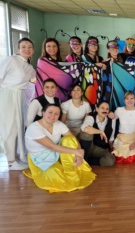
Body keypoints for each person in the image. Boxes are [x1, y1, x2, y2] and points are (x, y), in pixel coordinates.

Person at [23, 103, 96, 193]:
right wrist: (77, 152)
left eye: (56, 114)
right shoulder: (34, 128)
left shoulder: (59, 124)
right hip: (40, 157)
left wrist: (79, 155)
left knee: (68, 139)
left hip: (56, 152)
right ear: (43, 113)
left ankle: (70, 168)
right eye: (50, 112)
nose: (53, 116)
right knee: (55, 174)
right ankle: (59, 167)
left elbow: (72, 138)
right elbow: (51, 146)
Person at [0, 37, 36, 170]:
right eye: (23, 47)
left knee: (17, 127)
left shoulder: (30, 67)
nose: (27, 49)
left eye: (29, 47)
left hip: (19, 97)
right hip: (7, 95)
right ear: (18, 49)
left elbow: (33, 83)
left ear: (33, 50)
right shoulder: (11, 60)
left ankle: (15, 157)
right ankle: (10, 161)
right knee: (9, 127)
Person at [34, 37, 80, 102]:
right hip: (47, 94)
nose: (52, 48)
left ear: (57, 48)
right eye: (48, 46)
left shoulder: (61, 62)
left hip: (61, 95)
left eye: (54, 46)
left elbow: (67, 73)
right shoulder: (42, 61)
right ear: (45, 48)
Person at [79, 101, 116, 167]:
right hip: (90, 146)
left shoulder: (112, 120)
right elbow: (85, 128)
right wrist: (100, 131)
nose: (105, 110)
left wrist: (112, 149)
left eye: (107, 109)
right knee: (85, 134)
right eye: (102, 108)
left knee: (110, 161)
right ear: (97, 109)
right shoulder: (91, 118)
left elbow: (111, 138)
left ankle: (87, 160)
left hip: (101, 149)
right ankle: (83, 159)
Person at [112, 91, 135, 163]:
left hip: (134, 137)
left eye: (132, 98)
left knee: (132, 154)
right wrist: (110, 114)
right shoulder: (119, 110)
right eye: (127, 98)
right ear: (124, 100)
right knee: (118, 155)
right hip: (122, 137)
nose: (129, 101)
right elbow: (112, 120)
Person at [81, 36, 107, 109]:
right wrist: (95, 65)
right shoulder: (83, 57)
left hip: (98, 83)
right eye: (91, 44)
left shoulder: (100, 58)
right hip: (88, 84)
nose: (94, 46)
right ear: (87, 46)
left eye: (95, 44)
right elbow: (83, 68)